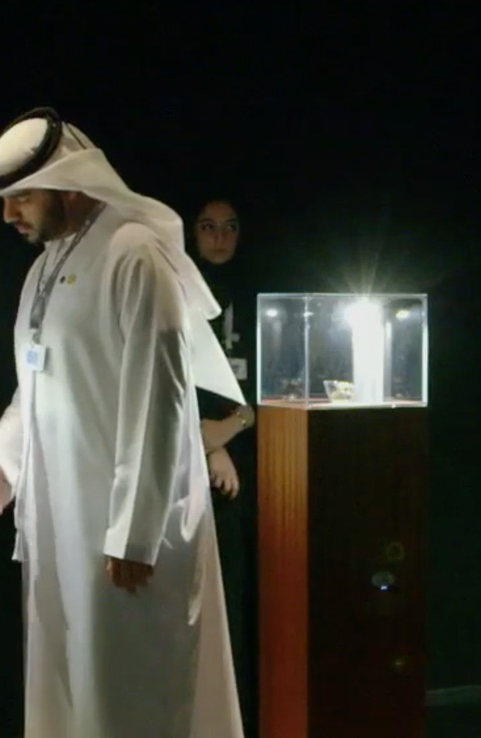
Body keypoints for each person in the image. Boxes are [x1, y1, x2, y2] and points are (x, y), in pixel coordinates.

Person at [0, 107, 247, 738]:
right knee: (71, 684)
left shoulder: (132, 253)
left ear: (69, 183)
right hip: (61, 519)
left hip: (122, 532)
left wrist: (134, 530)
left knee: (133, 692)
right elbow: (39, 375)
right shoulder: (46, 266)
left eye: (21, 199)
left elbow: (160, 397)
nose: (10, 216)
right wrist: (3, 456)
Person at [191, 198, 259, 736]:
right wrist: (207, 443)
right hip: (190, 462)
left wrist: (231, 430)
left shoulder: (256, 293)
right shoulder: (176, 292)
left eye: (230, 227)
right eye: (209, 228)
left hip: (252, 456)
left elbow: (265, 387)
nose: (220, 238)